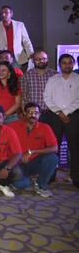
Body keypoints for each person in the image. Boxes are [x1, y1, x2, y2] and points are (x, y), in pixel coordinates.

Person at [44, 54, 79, 188]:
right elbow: (47, 97)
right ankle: (50, 175)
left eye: (70, 62)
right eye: (64, 63)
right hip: (55, 116)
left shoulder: (78, 79)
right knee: (53, 146)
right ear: (59, 64)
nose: (67, 65)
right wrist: (59, 112)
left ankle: (76, 177)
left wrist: (67, 112)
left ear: (73, 64)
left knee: (75, 148)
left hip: (73, 116)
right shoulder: (52, 80)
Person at [8, 103, 58, 197]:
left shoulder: (45, 127)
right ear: (24, 113)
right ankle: (21, 179)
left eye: (36, 113)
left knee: (52, 158)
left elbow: (55, 148)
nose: (33, 115)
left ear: (39, 114)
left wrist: (32, 151)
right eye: (30, 112)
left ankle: (40, 185)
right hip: (16, 164)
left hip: (34, 163)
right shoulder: (12, 126)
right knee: (22, 184)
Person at [20, 50, 58, 120]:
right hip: (33, 114)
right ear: (33, 60)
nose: (41, 61)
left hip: (53, 114)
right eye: (38, 59)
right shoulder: (26, 76)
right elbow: (23, 98)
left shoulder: (55, 75)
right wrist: (25, 114)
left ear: (47, 59)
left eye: (44, 59)